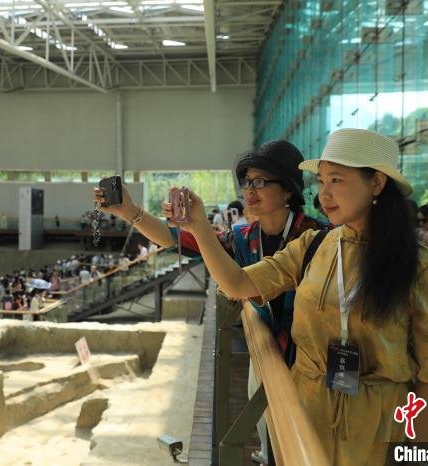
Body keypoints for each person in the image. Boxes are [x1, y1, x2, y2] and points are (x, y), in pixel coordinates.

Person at [165, 129, 428, 464]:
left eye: (337, 180)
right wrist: (199, 227)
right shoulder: (314, 245)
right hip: (305, 409)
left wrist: (417, 449)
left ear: (376, 183)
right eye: (321, 181)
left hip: (378, 424)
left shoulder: (420, 265)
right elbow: (238, 284)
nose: (324, 194)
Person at [94, 139, 325, 465]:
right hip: (267, 356)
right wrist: (129, 211)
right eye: (246, 182)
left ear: (288, 189)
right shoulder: (245, 237)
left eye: (260, 181)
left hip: (313, 368)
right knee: (271, 435)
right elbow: (176, 239)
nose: (249, 190)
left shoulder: (317, 237)